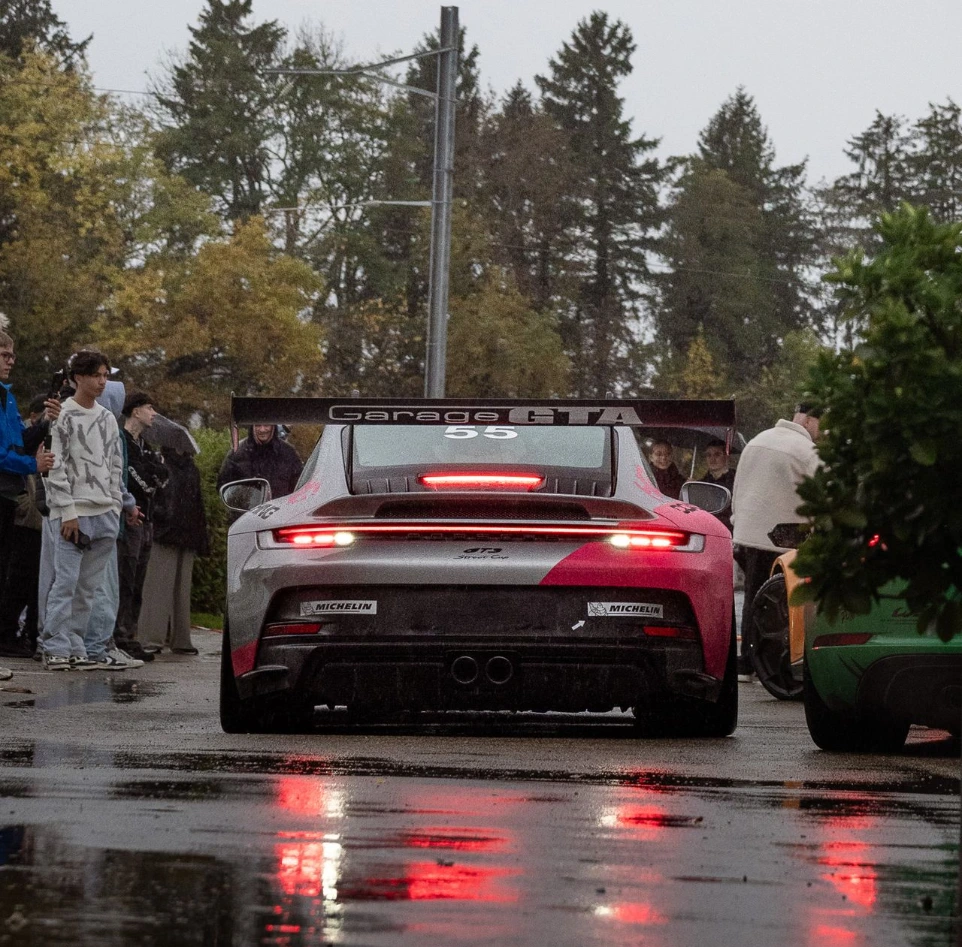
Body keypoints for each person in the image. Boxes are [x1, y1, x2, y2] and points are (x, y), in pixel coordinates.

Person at [39, 350, 123, 670]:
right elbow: (55, 467)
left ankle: (76, 643)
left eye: (105, 375)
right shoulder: (63, 415)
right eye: (96, 375)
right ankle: (55, 645)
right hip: (74, 512)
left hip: (104, 512)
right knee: (65, 583)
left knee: (87, 588)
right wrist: (66, 510)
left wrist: (114, 505)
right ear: (78, 377)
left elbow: (116, 465)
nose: (102, 382)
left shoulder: (106, 418)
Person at [731, 403, 822, 680]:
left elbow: (738, 488)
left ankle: (747, 663)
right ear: (808, 421)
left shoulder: (757, 441)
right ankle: (776, 665)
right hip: (783, 539)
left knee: (754, 598)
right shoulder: (807, 452)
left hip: (747, 534)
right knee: (785, 604)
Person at [140, 446, 210, 655]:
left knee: (182, 591)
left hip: (187, 532)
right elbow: (152, 496)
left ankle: (181, 640)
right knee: (157, 589)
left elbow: (197, 504)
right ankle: (152, 639)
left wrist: (201, 536)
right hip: (165, 532)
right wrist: (160, 516)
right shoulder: (159, 464)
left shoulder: (191, 468)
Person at [114, 391, 167, 661]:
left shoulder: (145, 445)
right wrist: (149, 479)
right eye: (149, 407)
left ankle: (130, 633)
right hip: (130, 518)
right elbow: (139, 479)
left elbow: (161, 475)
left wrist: (153, 475)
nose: (153, 413)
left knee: (138, 581)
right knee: (125, 576)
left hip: (147, 519)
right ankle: (119, 634)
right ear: (135, 411)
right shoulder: (122, 441)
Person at [0, 395, 47, 658]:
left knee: (18, 574)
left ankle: (12, 632)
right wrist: (32, 465)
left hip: (14, 500)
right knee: (15, 575)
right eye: (4, 353)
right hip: (18, 505)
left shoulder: (7, 399)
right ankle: (7, 631)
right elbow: (8, 452)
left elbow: (20, 443)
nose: (10, 360)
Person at [217, 424, 302, 500]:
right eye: (258, 425)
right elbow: (224, 488)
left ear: (273, 426)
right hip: (247, 513)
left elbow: (300, 487)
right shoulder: (237, 454)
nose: (262, 429)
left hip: (281, 514)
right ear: (252, 426)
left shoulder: (289, 453)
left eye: (266, 425)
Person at [698, 438, 736, 532]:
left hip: (728, 529)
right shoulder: (700, 483)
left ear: (726, 456)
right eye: (708, 455)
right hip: (705, 528)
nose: (712, 459)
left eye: (717, 454)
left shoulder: (737, 481)